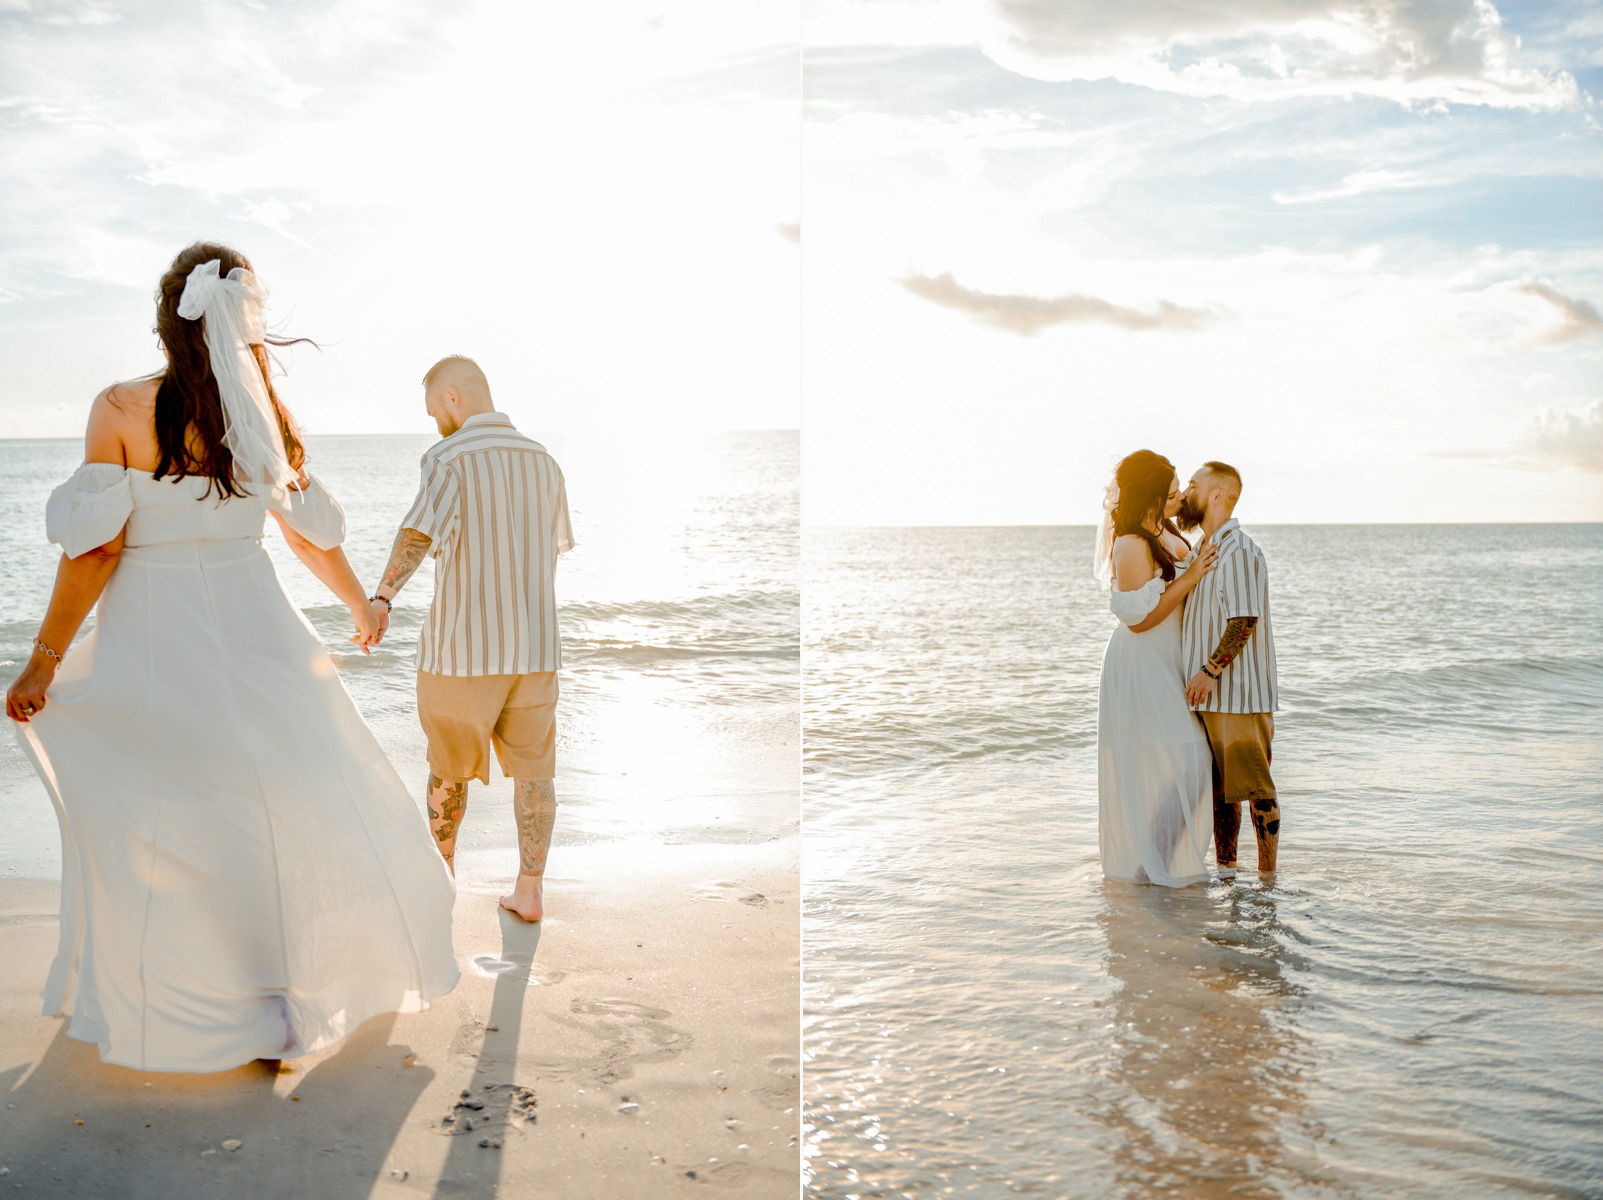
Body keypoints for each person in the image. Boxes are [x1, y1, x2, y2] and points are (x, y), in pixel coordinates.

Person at [3, 243, 459, 1073]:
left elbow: (96, 552)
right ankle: (288, 997)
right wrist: (359, 604)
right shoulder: (263, 415)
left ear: (165, 316)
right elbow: (303, 531)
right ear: (243, 317)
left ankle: (200, 1007)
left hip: (156, 631)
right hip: (261, 629)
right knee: (283, 799)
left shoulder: (119, 406)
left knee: (171, 815)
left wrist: (43, 659)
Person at [366, 356, 573, 923]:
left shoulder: (448, 458)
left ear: (453, 396)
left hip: (463, 652)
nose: (435, 422)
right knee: (536, 774)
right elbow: (552, 549)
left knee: (448, 770)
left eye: (434, 409)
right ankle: (529, 892)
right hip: (535, 649)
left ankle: (442, 883)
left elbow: (417, 534)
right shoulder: (545, 462)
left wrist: (381, 600)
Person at [1095, 449, 1220, 887]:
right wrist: (1190, 577)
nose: (1178, 500)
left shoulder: (1162, 527)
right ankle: (1149, 866)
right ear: (1149, 497)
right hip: (1142, 660)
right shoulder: (1130, 542)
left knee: (1188, 762)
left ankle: (1154, 862)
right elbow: (1138, 618)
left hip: (1170, 656)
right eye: (1170, 495)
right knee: (1191, 759)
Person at [1175, 462, 1280, 876]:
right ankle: (1228, 875)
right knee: (1221, 795)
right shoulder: (1207, 549)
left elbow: (1244, 620)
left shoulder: (1239, 551)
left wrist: (1209, 671)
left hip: (1237, 696)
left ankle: (1268, 881)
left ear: (1217, 495)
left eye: (1193, 485)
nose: (1185, 493)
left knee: (1256, 790)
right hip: (1210, 697)